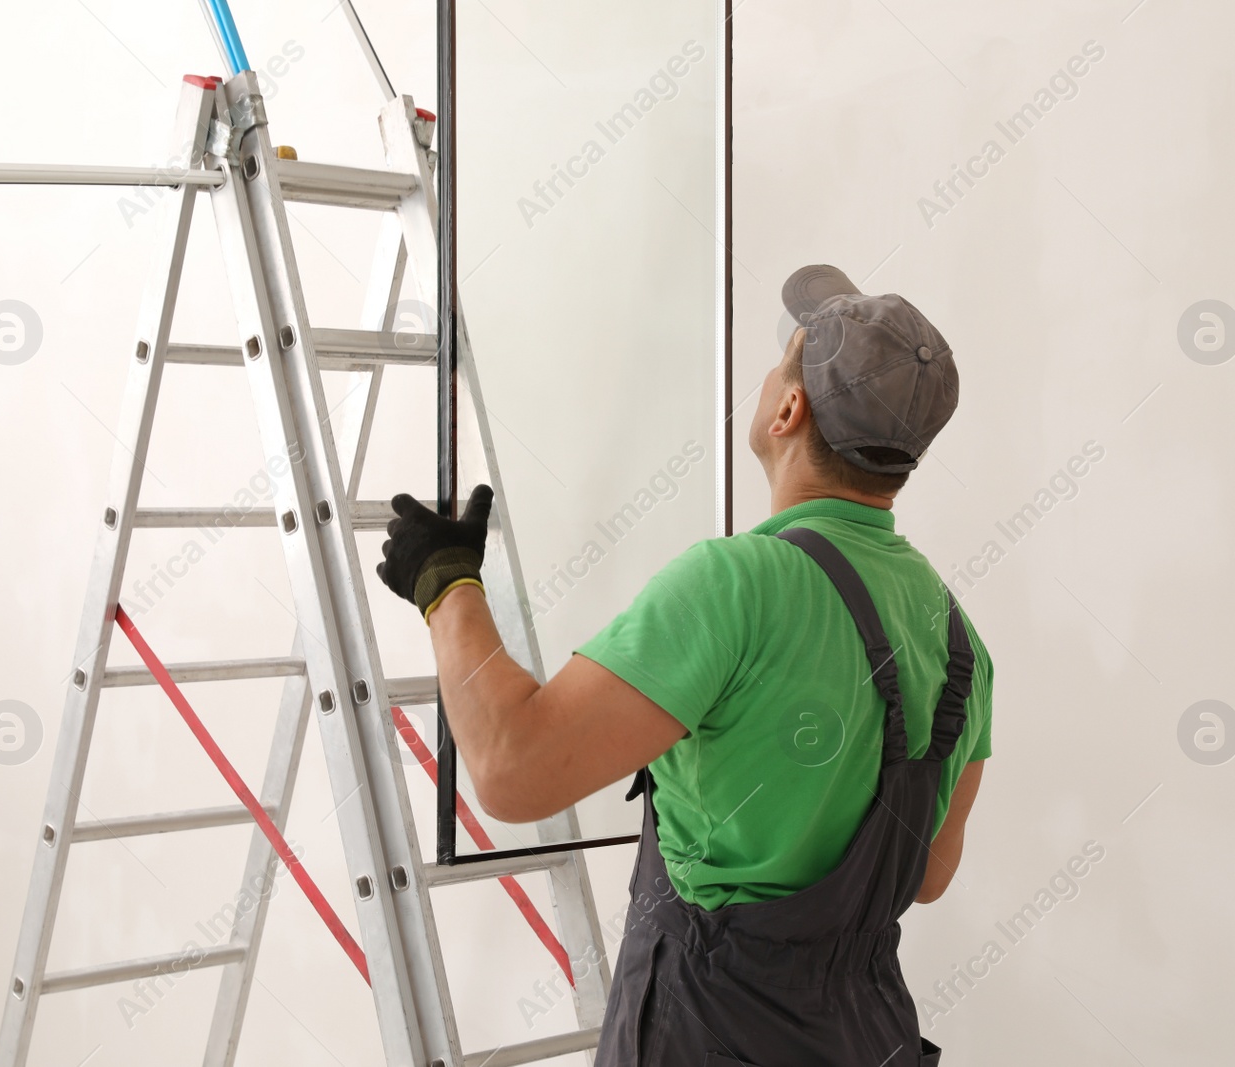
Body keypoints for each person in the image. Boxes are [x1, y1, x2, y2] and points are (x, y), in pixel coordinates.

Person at [376, 265, 993, 1067]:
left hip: (709, 1036)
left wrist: (445, 582)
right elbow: (930, 873)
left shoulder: (738, 584)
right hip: (867, 1039)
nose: (770, 373)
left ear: (788, 408)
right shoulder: (958, 638)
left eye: (784, 360)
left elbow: (511, 768)